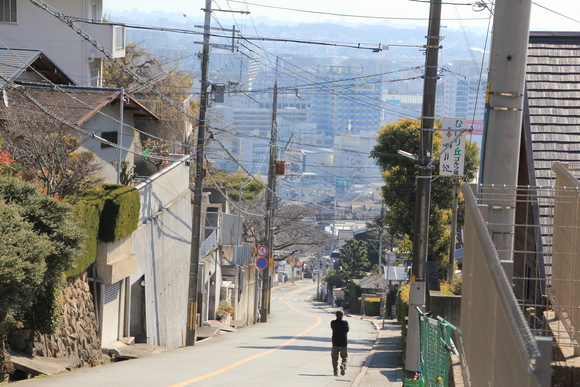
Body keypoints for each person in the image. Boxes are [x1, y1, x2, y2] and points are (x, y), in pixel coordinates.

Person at [330, 310, 349, 376]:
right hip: (343, 343)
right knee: (344, 357)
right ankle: (343, 365)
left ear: (336, 315)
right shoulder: (345, 323)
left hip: (335, 342)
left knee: (334, 357)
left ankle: (335, 371)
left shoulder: (333, 322)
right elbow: (347, 330)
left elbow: (332, 328)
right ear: (342, 316)